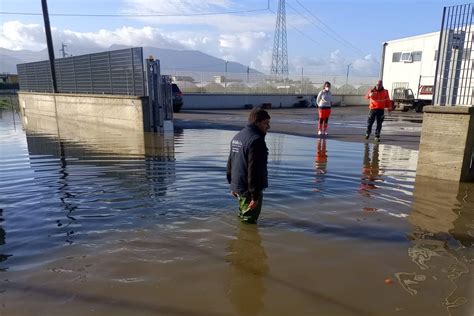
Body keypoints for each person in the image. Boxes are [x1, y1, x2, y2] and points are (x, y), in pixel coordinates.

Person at [227, 108, 270, 224]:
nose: (268, 126)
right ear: (256, 122)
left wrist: (232, 185)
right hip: (249, 191)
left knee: (242, 216)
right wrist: (255, 196)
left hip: (239, 187)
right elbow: (254, 171)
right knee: (249, 224)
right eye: (266, 123)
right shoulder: (256, 141)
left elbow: (231, 163)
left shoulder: (237, 137)